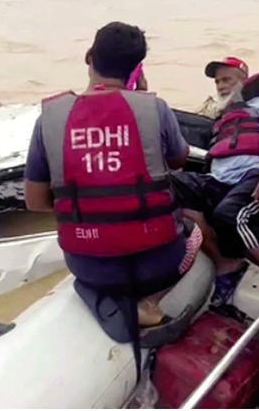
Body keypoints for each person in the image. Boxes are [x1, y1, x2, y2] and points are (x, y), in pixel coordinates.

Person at [24, 21, 194, 345]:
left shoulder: (49, 118)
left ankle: (108, 299)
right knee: (197, 228)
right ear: (137, 69)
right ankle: (150, 303)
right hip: (160, 263)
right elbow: (177, 160)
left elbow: (35, 202)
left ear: (89, 56)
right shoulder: (154, 108)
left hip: (87, 265)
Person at [171, 57, 259, 329]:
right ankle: (227, 263)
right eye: (218, 81)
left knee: (230, 215)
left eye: (227, 79)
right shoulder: (224, 116)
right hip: (218, 179)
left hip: (255, 176)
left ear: (244, 79)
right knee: (166, 189)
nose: (221, 86)